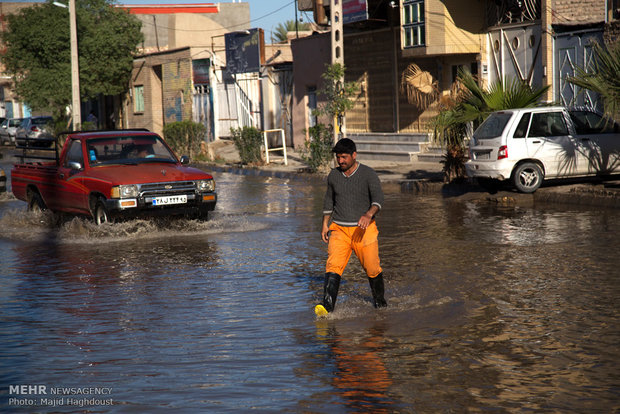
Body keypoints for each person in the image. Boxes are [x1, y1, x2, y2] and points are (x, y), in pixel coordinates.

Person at [315, 138, 387, 316]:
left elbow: (378, 199)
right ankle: (327, 308)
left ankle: (380, 304)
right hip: (339, 229)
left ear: (354, 155)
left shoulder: (368, 174)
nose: (340, 161)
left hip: (364, 230)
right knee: (333, 265)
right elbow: (329, 200)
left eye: (344, 157)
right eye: (338, 157)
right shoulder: (333, 176)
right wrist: (325, 224)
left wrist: (368, 214)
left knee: (372, 268)